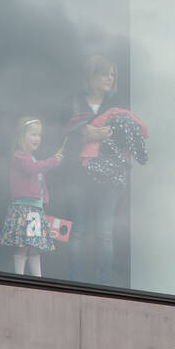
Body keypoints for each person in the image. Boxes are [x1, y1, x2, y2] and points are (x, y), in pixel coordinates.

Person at [63, 56, 122, 285]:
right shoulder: (72, 103)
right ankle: (76, 282)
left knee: (105, 234)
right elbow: (63, 134)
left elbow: (123, 138)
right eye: (105, 73)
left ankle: (103, 285)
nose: (110, 78)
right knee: (77, 231)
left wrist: (92, 133)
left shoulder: (117, 108)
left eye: (113, 74)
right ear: (91, 76)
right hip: (77, 177)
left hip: (108, 179)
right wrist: (87, 134)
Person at [0, 116, 64, 278]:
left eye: (39, 135)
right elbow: (32, 169)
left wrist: (43, 201)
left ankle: (37, 278)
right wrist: (52, 162)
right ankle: (19, 277)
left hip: (34, 208)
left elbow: (38, 180)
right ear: (22, 136)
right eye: (33, 134)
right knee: (23, 245)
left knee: (34, 246)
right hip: (24, 208)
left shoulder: (30, 157)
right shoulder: (20, 156)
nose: (37, 138)